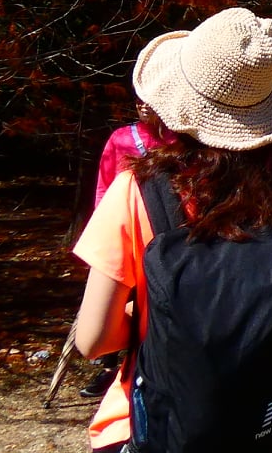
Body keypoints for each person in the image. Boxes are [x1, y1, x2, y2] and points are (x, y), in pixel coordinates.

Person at [71, 7, 272, 453]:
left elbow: (92, 339)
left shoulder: (135, 191)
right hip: (269, 426)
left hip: (157, 426)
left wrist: (157, 320)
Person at [80, 105, 177, 399]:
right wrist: (106, 234)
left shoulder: (178, 140)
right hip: (125, 228)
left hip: (166, 235)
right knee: (114, 303)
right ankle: (111, 368)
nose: (142, 104)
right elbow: (104, 186)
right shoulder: (121, 138)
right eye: (137, 97)